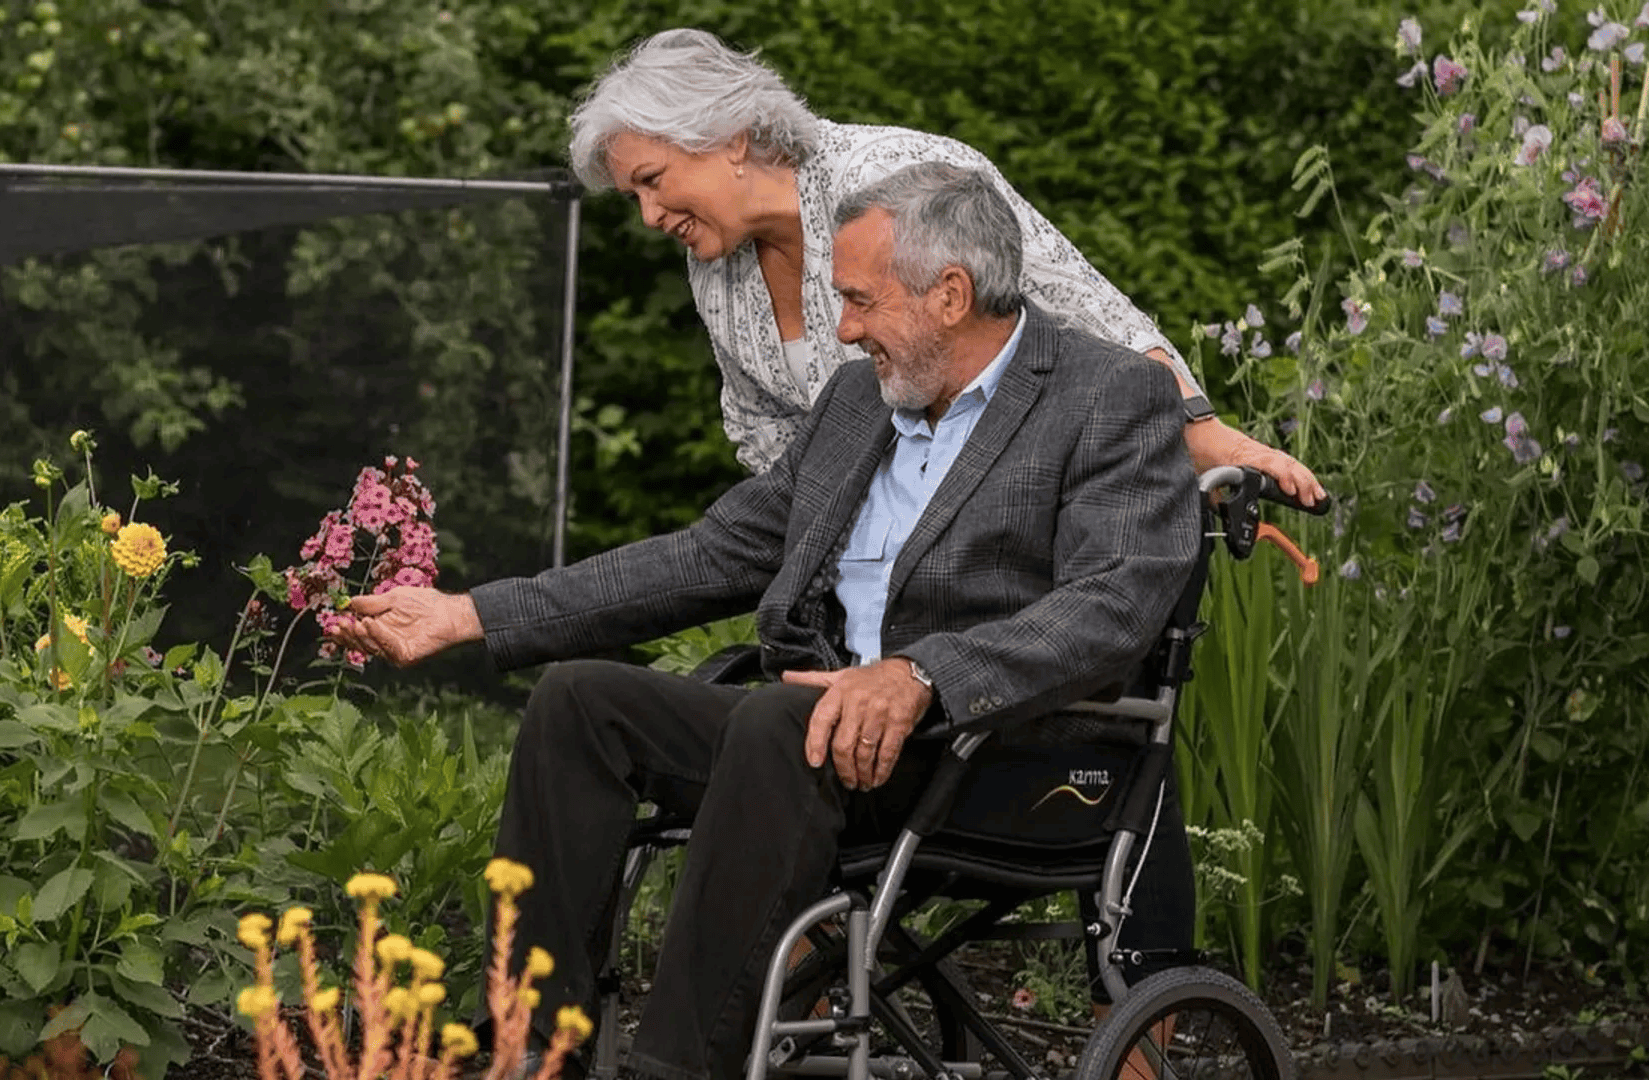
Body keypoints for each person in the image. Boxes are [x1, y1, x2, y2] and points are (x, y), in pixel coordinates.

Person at [331, 163, 1202, 1080]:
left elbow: (1112, 604)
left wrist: (922, 673)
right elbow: (708, 556)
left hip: (993, 746)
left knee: (780, 719)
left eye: (862, 301)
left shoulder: (1105, 397)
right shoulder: (860, 400)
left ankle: (673, 1068)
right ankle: (526, 1051)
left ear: (950, 294)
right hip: (819, 738)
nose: (844, 328)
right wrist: (469, 613)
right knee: (579, 706)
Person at [568, 28, 1324, 505]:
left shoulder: (896, 174)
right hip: (868, 559)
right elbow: (761, 427)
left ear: (730, 136)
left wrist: (1198, 429)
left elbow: (1083, 308)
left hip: (1002, 527)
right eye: (633, 193)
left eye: (653, 180)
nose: (648, 216)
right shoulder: (716, 268)